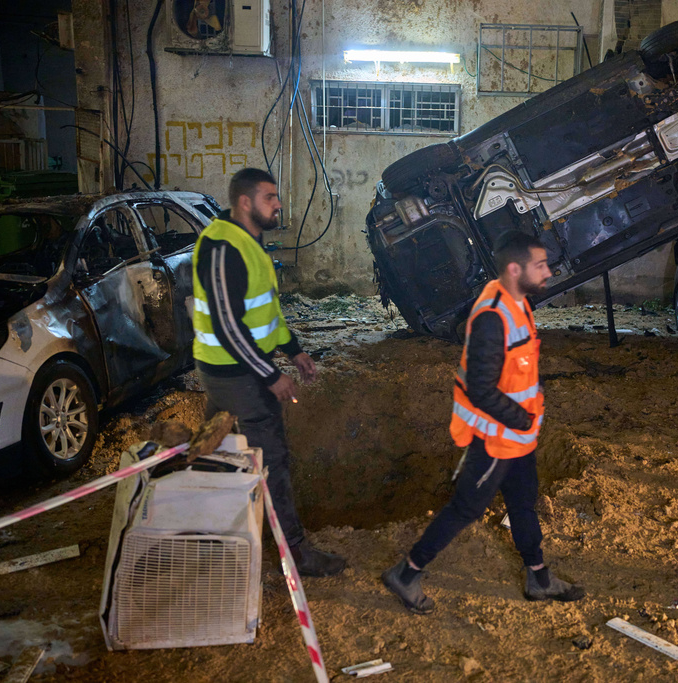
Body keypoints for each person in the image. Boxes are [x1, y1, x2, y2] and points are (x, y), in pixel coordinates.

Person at [382, 231, 585, 613]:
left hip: (518, 436)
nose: (548, 271)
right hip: (496, 439)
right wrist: (521, 418)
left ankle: (539, 578)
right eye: (540, 265)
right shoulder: (493, 316)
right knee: (466, 509)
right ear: (514, 269)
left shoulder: (516, 301)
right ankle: (406, 573)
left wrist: (526, 420)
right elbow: (480, 388)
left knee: (524, 503)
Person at [192, 167, 346, 575]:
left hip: (238, 370)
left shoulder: (250, 241)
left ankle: (204, 535)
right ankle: (294, 553)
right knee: (271, 459)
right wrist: (271, 375)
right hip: (233, 374)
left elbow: (265, 314)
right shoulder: (223, 247)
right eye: (269, 197)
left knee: (218, 452)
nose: (278, 204)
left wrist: (293, 351)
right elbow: (228, 325)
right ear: (245, 203)